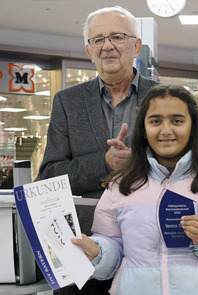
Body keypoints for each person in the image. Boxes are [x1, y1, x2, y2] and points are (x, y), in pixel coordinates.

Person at [72, 84, 198, 295]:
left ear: (193, 126)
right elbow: (114, 247)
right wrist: (99, 252)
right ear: (144, 129)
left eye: (177, 121)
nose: (166, 130)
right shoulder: (121, 184)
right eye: (155, 121)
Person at [38, 6, 159, 294]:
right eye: (97, 40)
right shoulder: (68, 102)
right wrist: (105, 162)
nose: (107, 46)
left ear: (136, 46)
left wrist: (139, 165)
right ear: (89, 52)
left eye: (117, 36)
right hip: (81, 248)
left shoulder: (165, 97)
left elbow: (187, 170)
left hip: (151, 246)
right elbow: (49, 177)